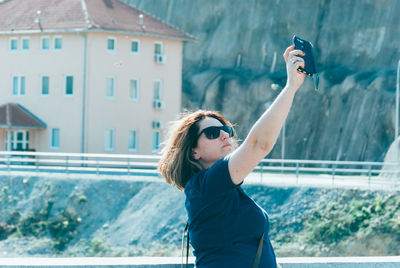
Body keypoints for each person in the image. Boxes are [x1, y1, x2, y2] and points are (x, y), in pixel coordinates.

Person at [158, 45, 306, 268]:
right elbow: (258, 144)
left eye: (226, 131)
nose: (224, 137)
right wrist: (291, 86)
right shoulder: (206, 186)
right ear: (193, 152)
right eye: (211, 133)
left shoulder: (220, 189)